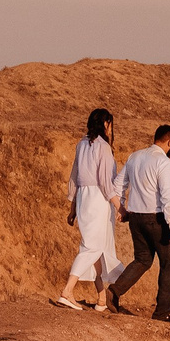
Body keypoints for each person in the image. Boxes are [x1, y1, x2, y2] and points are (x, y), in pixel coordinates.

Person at [107, 124, 170, 323]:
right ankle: (161, 314)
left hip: (136, 217)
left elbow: (117, 185)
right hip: (156, 218)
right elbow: (168, 197)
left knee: (142, 260)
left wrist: (122, 208)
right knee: (168, 265)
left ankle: (114, 291)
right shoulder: (163, 162)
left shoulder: (135, 156)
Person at [54, 107, 126, 310]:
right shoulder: (103, 147)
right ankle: (67, 291)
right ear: (106, 124)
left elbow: (74, 177)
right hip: (98, 199)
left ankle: (102, 297)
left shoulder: (81, 144)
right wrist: (119, 207)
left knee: (96, 246)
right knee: (92, 247)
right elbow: (105, 182)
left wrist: (73, 207)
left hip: (84, 198)